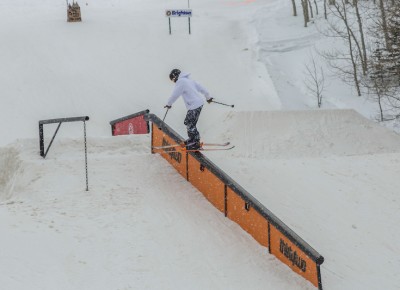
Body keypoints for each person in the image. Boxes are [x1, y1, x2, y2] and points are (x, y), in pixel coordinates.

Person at [165, 69, 213, 150]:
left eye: (173, 79)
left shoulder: (181, 82)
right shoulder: (189, 80)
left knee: (190, 123)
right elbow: (202, 88)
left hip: (194, 105)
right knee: (188, 122)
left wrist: (169, 104)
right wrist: (208, 97)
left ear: (175, 76)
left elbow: (175, 94)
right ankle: (192, 139)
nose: (174, 82)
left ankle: (195, 142)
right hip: (198, 104)